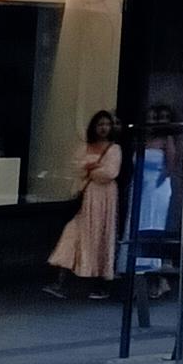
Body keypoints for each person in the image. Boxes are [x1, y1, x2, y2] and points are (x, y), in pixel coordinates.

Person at [47, 110, 122, 300]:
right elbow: (76, 167)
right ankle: (61, 282)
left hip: (103, 198)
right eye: (100, 124)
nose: (104, 128)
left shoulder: (114, 149)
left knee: (101, 235)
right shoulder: (85, 147)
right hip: (86, 196)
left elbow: (110, 173)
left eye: (107, 124)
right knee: (72, 234)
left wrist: (89, 169)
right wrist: (94, 168)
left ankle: (100, 283)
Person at [131, 105, 178, 299]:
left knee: (154, 228)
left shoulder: (167, 140)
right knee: (137, 227)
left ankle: (158, 278)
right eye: (153, 118)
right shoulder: (141, 140)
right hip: (140, 188)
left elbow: (170, 165)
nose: (156, 121)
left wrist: (156, 183)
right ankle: (138, 278)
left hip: (157, 187)